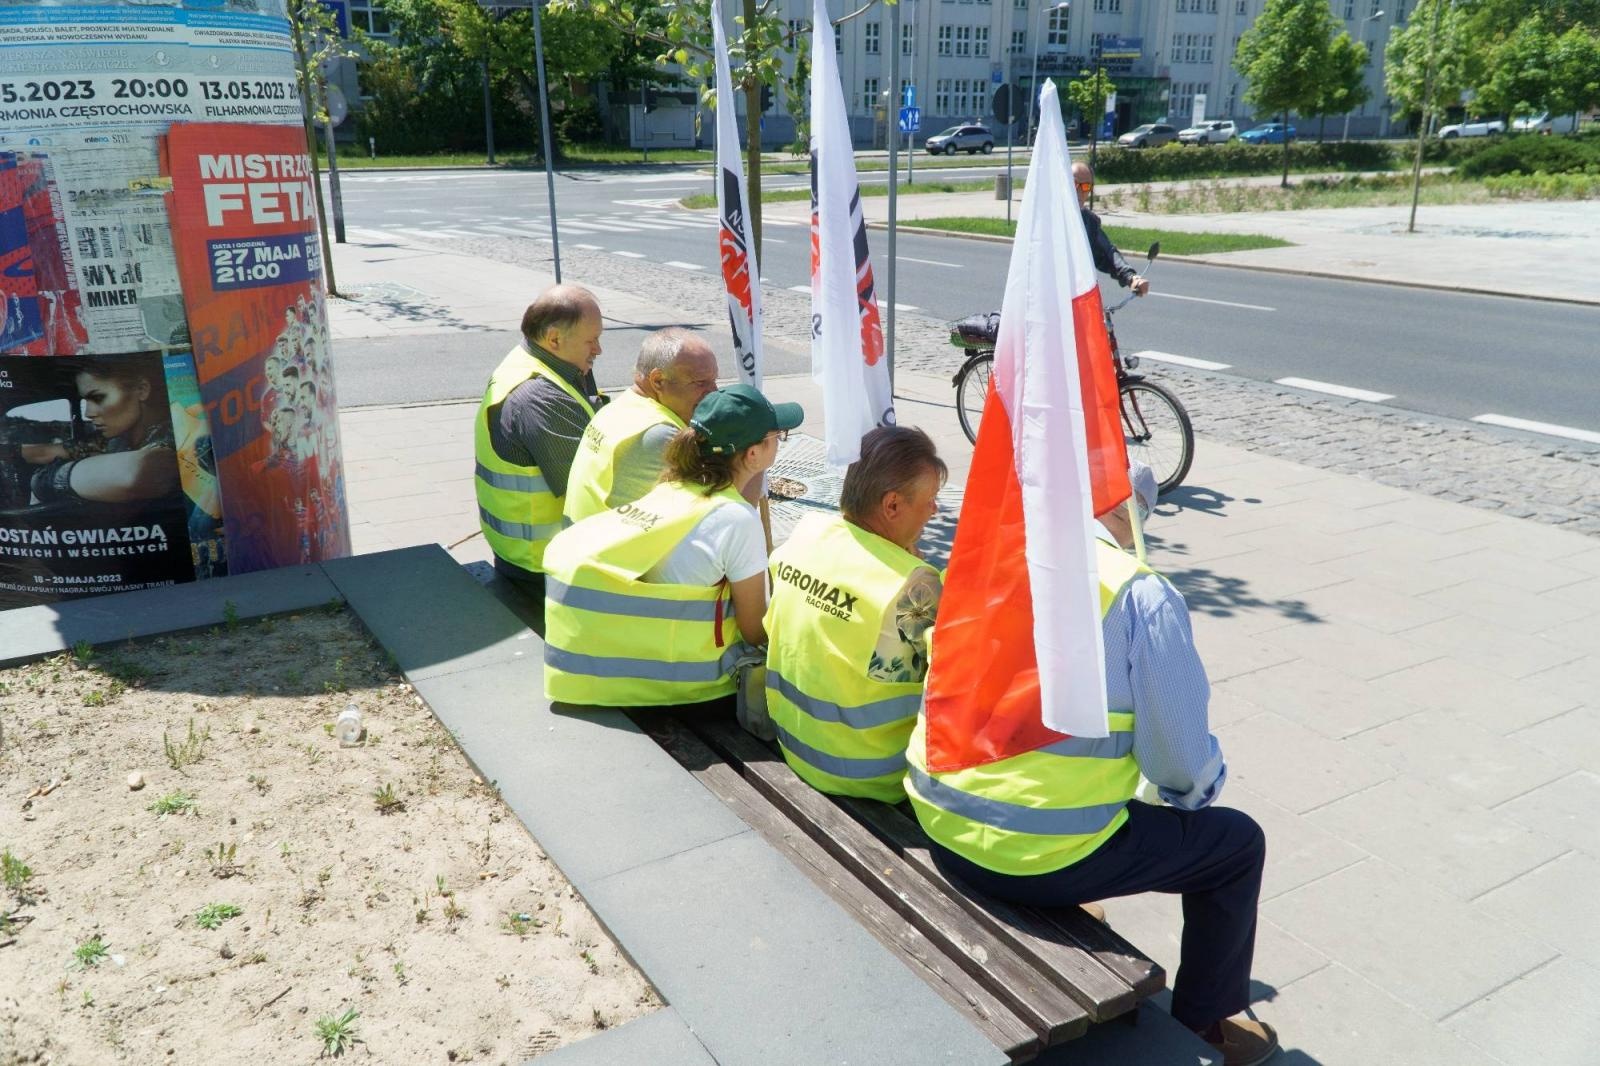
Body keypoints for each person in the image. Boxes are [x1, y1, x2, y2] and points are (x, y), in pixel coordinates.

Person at [904, 471, 1278, 1066]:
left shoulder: (982, 562)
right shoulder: (1137, 594)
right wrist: (1191, 796)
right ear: (1132, 514)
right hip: (1035, 857)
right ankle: (1204, 1025)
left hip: (941, 826)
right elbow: (1178, 763)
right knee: (1235, 846)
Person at [542, 385, 802, 709]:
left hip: (615, 668)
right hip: (691, 687)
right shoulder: (735, 518)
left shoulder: (673, 485)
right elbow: (755, 632)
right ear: (753, 454)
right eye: (778, 436)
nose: (780, 442)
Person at [763, 426, 947, 802]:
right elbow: (958, 681)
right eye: (930, 499)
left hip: (794, 742)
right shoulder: (915, 584)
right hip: (873, 773)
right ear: (892, 505)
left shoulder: (809, 533)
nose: (935, 510)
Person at [474, 284, 606, 624]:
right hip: (542, 569)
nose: (599, 349)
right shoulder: (539, 398)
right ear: (554, 338)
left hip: (525, 556)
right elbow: (595, 491)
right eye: (591, 340)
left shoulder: (538, 363)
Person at [563, 327, 720, 524]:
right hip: (611, 551)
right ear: (658, 380)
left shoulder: (615, 410)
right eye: (700, 382)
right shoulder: (661, 434)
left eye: (714, 381)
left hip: (581, 544)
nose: (713, 392)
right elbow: (715, 519)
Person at [23, 361, 179, 505]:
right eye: (86, 401)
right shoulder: (111, 440)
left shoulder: (177, 432)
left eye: (98, 397)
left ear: (141, 389)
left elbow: (139, 473)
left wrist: (46, 479)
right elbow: (44, 452)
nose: (88, 413)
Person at [1073, 161, 1150, 297]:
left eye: (1085, 186)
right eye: (1074, 184)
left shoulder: (1089, 222)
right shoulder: (1047, 217)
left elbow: (1108, 253)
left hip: (1077, 297)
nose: (1079, 191)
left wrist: (1131, 277)